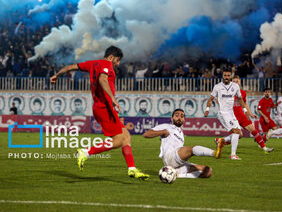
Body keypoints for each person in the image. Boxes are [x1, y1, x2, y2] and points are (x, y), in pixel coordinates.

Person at [50, 45, 149, 180]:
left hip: (100, 107)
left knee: (126, 136)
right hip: (105, 107)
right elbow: (103, 79)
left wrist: (56, 75)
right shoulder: (106, 64)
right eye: (117, 60)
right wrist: (113, 98)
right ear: (111, 57)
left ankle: (132, 169)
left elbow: (69, 68)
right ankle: (85, 152)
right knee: (119, 140)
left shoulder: (92, 64)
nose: (118, 63)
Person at [143, 109, 213, 178]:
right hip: (170, 157)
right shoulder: (167, 126)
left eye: (182, 116)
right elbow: (146, 134)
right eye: (177, 116)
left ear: (184, 120)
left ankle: (175, 174)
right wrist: (163, 132)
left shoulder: (181, 133)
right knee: (191, 150)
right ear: (172, 118)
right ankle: (213, 153)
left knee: (207, 171)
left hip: (177, 161)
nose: (179, 118)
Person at [214, 76, 273, 154]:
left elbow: (245, 104)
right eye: (234, 81)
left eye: (237, 81)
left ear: (239, 82)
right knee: (239, 135)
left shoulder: (243, 93)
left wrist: (250, 114)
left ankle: (264, 148)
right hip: (231, 116)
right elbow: (217, 99)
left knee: (254, 130)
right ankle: (221, 141)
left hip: (241, 115)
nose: (236, 83)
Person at [204, 68, 247, 160]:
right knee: (235, 131)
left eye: (228, 75)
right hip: (223, 113)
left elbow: (240, 99)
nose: (226, 77)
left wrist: (245, 110)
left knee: (240, 134)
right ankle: (233, 155)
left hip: (231, 113)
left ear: (230, 76)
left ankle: (221, 140)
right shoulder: (217, 86)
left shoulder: (235, 86)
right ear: (222, 76)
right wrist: (207, 109)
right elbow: (211, 98)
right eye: (225, 75)